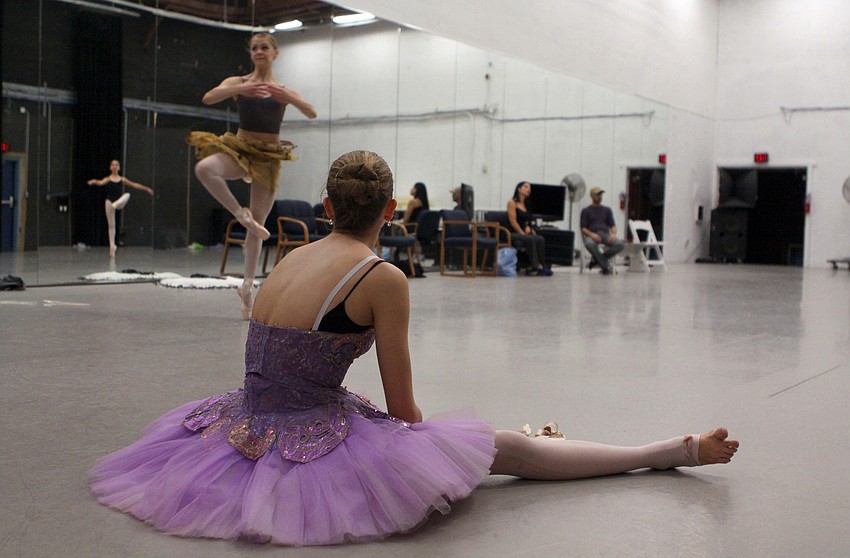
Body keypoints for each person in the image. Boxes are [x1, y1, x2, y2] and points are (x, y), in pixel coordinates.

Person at [89, 151, 739, 547]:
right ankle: (672, 450)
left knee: (481, 443)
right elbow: (403, 409)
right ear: (392, 208)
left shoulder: (291, 255)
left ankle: (572, 442)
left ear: (325, 206)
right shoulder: (382, 278)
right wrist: (447, 456)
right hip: (309, 436)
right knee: (500, 448)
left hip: (238, 427)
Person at [187, 32, 317, 319]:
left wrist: (290, 99)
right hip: (240, 148)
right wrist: (241, 91)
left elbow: (312, 112)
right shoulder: (239, 82)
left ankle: (247, 287)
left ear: (275, 53)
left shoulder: (282, 89)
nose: (259, 52)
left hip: (268, 156)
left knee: (258, 226)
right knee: (205, 168)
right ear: (251, 53)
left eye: (264, 47)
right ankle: (238, 213)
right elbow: (209, 97)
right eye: (255, 48)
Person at [86, 160, 154, 257]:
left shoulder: (122, 179)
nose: (114, 166)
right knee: (111, 225)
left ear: (119, 168)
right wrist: (94, 181)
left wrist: (146, 189)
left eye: (116, 165)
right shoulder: (108, 178)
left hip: (119, 202)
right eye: (113, 165)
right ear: (110, 167)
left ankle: (116, 204)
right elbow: (100, 182)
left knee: (128, 194)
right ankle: (112, 246)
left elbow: (134, 185)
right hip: (109, 202)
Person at [507, 181, 552, 276]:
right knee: (530, 238)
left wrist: (530, 229)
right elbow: (513, 222)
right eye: (526, 186)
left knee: (540, 239)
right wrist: (522, 233)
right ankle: (536, 266)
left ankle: (542, 265)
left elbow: (526, 221)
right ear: (519, 189)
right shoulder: (512, 202)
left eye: (529, 187)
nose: (529, 189)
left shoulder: (527, 204)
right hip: (512, 232)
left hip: (523, 231)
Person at [580, 186, 624, 275]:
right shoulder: (586, 211)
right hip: (591, 233)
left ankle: (597, 259)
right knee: (589, 243)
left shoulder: (607, 210)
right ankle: (605, 267)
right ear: (592, 196)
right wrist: (592, 235)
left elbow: (613, 226)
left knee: (620, 244)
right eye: (597, 195)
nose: (600, 197)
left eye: (601, 195)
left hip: (605, 233)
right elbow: (583, 228)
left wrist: (613, 235)